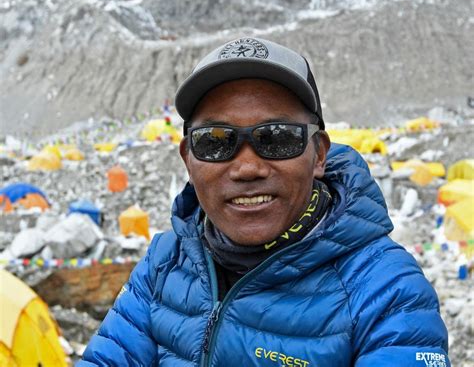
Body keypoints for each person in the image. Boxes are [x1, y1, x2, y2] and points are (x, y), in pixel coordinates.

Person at [79, 38, 450, 366]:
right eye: (214, 141)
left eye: (277, 137)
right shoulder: (166, 261)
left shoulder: (386, 290)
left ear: (319, 155)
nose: (247, 167)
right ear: (188, 160)